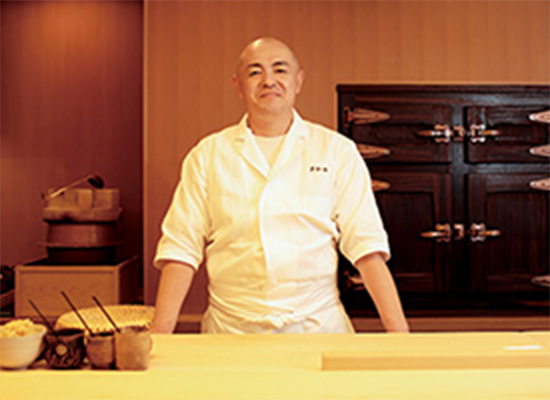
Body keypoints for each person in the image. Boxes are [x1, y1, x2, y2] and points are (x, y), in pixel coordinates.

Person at [151, 37, 409, 334]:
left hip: (317, 327)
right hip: (232, 329)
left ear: (298, 81)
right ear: (238, 85)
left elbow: (366, 246)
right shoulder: (207, 155)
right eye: (255, 72)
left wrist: (399, 335)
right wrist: (159, 336)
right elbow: (181, 248)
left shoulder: (336, 151)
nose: (269, 81)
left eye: (280, 70)